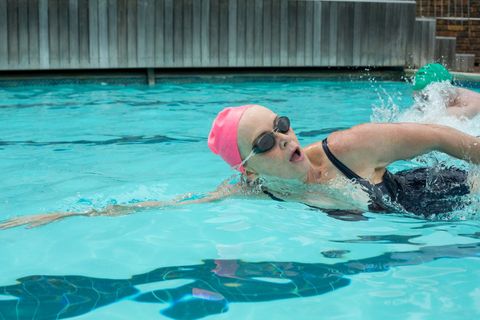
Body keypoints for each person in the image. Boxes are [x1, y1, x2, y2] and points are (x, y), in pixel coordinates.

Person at [1, 104, 480, 229]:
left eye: (281, 124)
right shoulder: (253, 191)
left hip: (444, 192)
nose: (286, 138)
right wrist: (50, 217)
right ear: (250, 171)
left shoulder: (351, 147)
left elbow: (441, 138)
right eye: (267, 141)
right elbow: (155, 207)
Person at [413, 63, 480, 119]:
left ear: (445, 90)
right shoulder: (450, 96)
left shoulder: (470, 105)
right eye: (418, 98)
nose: (422, 104)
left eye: (425, 98)